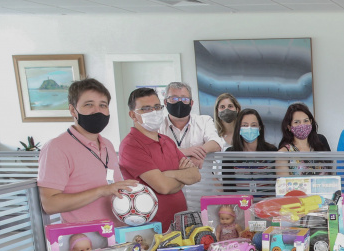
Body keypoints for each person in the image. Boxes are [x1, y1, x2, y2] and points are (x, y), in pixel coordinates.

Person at [38, 78, 138, 223]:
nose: (97, 111)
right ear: (73, 110)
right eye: (89, 104)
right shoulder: (56, 148)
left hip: (116, 236)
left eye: (103, 105)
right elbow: (50, 204)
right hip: (83, 242)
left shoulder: (107, 145)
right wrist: (101, 191)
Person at [119, 87, 200, 230]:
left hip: (179, 225)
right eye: (146, 109)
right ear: (133, 115)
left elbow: (195, 175)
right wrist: (182, 180)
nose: (154, 112)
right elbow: (164, 187)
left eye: (157, 107)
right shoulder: (131, 146)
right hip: (152, 230)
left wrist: (169, 174)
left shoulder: (167, 141)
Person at [159, 81, 226, 169]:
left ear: (191, 103)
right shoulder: (158, 124)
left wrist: (198, 153)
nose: (179, 102)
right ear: (165, 102)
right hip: (169, 180)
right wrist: (186, 151)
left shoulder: (204, 121)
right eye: (174, 98)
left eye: (185, 99)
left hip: (202, 180)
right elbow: (155, 149)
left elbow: (216, 143)